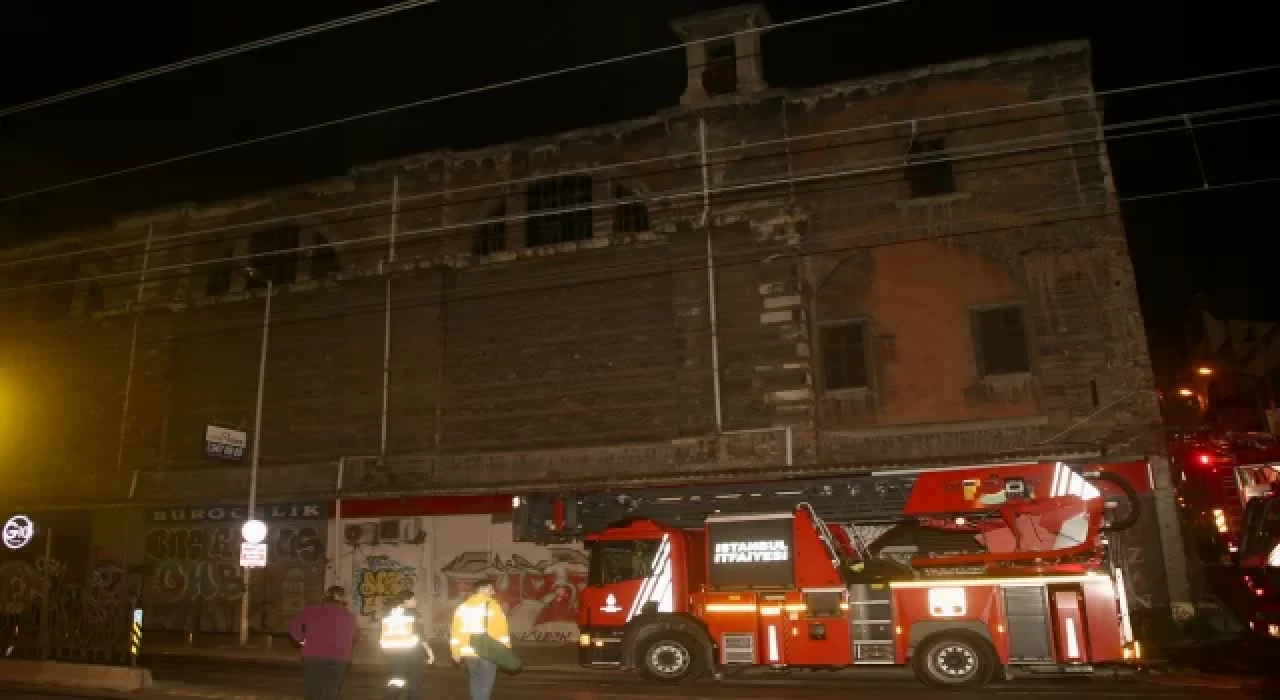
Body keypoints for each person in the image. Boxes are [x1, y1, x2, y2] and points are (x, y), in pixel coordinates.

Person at [287, 585, 359, 700]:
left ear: (325, 597)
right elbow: (354, 636)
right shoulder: (349, 617)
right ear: (343, 599)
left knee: (313, 690)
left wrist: (302, 640)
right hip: (339, 658)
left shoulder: (311, 610)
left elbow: (293, 625)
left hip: (313, 656)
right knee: (331, 691)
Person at [450, 579, 510, 700]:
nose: (493, 592)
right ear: (483, 589)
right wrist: (505, 651)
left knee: (475, 681)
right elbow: (502, 631)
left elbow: (455, 632)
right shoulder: (493, 606)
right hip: (488, 651)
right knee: (485, 685)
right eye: (491, 589)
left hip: (469, 652)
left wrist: (455, 652)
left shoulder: (463, 607)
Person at [380, 592, 433, 700]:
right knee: (415, 683)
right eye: (413, 599)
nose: (415, 601)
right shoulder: (411, 614)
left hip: (394, 652)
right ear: (405, 601)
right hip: (412, 652)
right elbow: (419, 634)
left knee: (398, 679)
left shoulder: (389, 613)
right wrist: (429, 651)